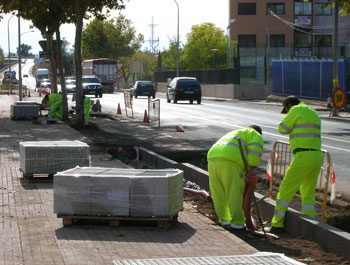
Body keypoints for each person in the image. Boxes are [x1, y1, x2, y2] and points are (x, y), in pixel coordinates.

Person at [268, 96, 322, 234]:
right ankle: (309, 222)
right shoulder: (312, 112)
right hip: (317, 156)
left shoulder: (296, 110)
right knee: (308, 191)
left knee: (286, 187)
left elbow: (282, 128)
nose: (286, 112)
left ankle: (277, 224)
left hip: (303, 155)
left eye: (286, 110)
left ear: (289, 105)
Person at [207, 125, 264, 233]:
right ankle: (237, 225)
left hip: (212, 158)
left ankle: (225, 221)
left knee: (219, 192)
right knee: (234, 192)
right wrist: (250, 171)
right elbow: (254, 152)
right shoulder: (255, 134)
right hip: (231, 161)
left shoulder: (237, 133)